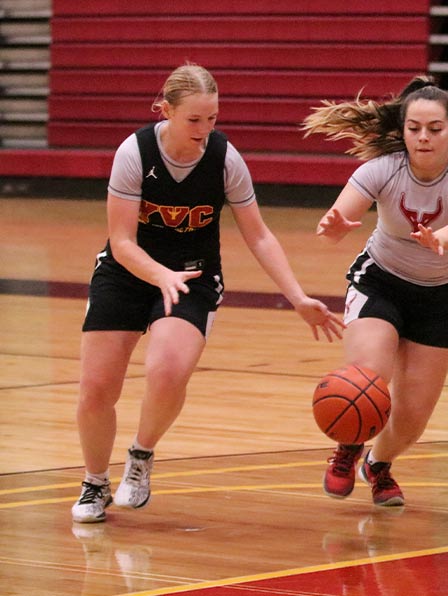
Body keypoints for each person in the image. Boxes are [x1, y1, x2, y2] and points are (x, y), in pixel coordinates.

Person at [71, 64, 344, 524]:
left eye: (213, 119)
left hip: (193, 277)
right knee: (96, 389)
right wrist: (158, 274)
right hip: (128, 271)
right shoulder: (134, 152)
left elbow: (258, 235)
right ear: (166, 111)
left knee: (167, 369)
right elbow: (121, 241)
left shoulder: (225, 159)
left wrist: (298, 297)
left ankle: (141, 456)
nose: (205, 130)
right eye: (194, 120)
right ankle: (94, 481)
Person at [301, 76, 448, 507]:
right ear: (403, 129)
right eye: (414, 128)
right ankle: (348, 446)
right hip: (381, 281)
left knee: (411, 420)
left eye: (434, 129)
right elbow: (339, 218)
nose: (423, 137)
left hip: (439, 297)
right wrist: (333, 226)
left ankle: (378, 464)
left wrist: (445, 236)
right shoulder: (382, 169)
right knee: (367, 379)